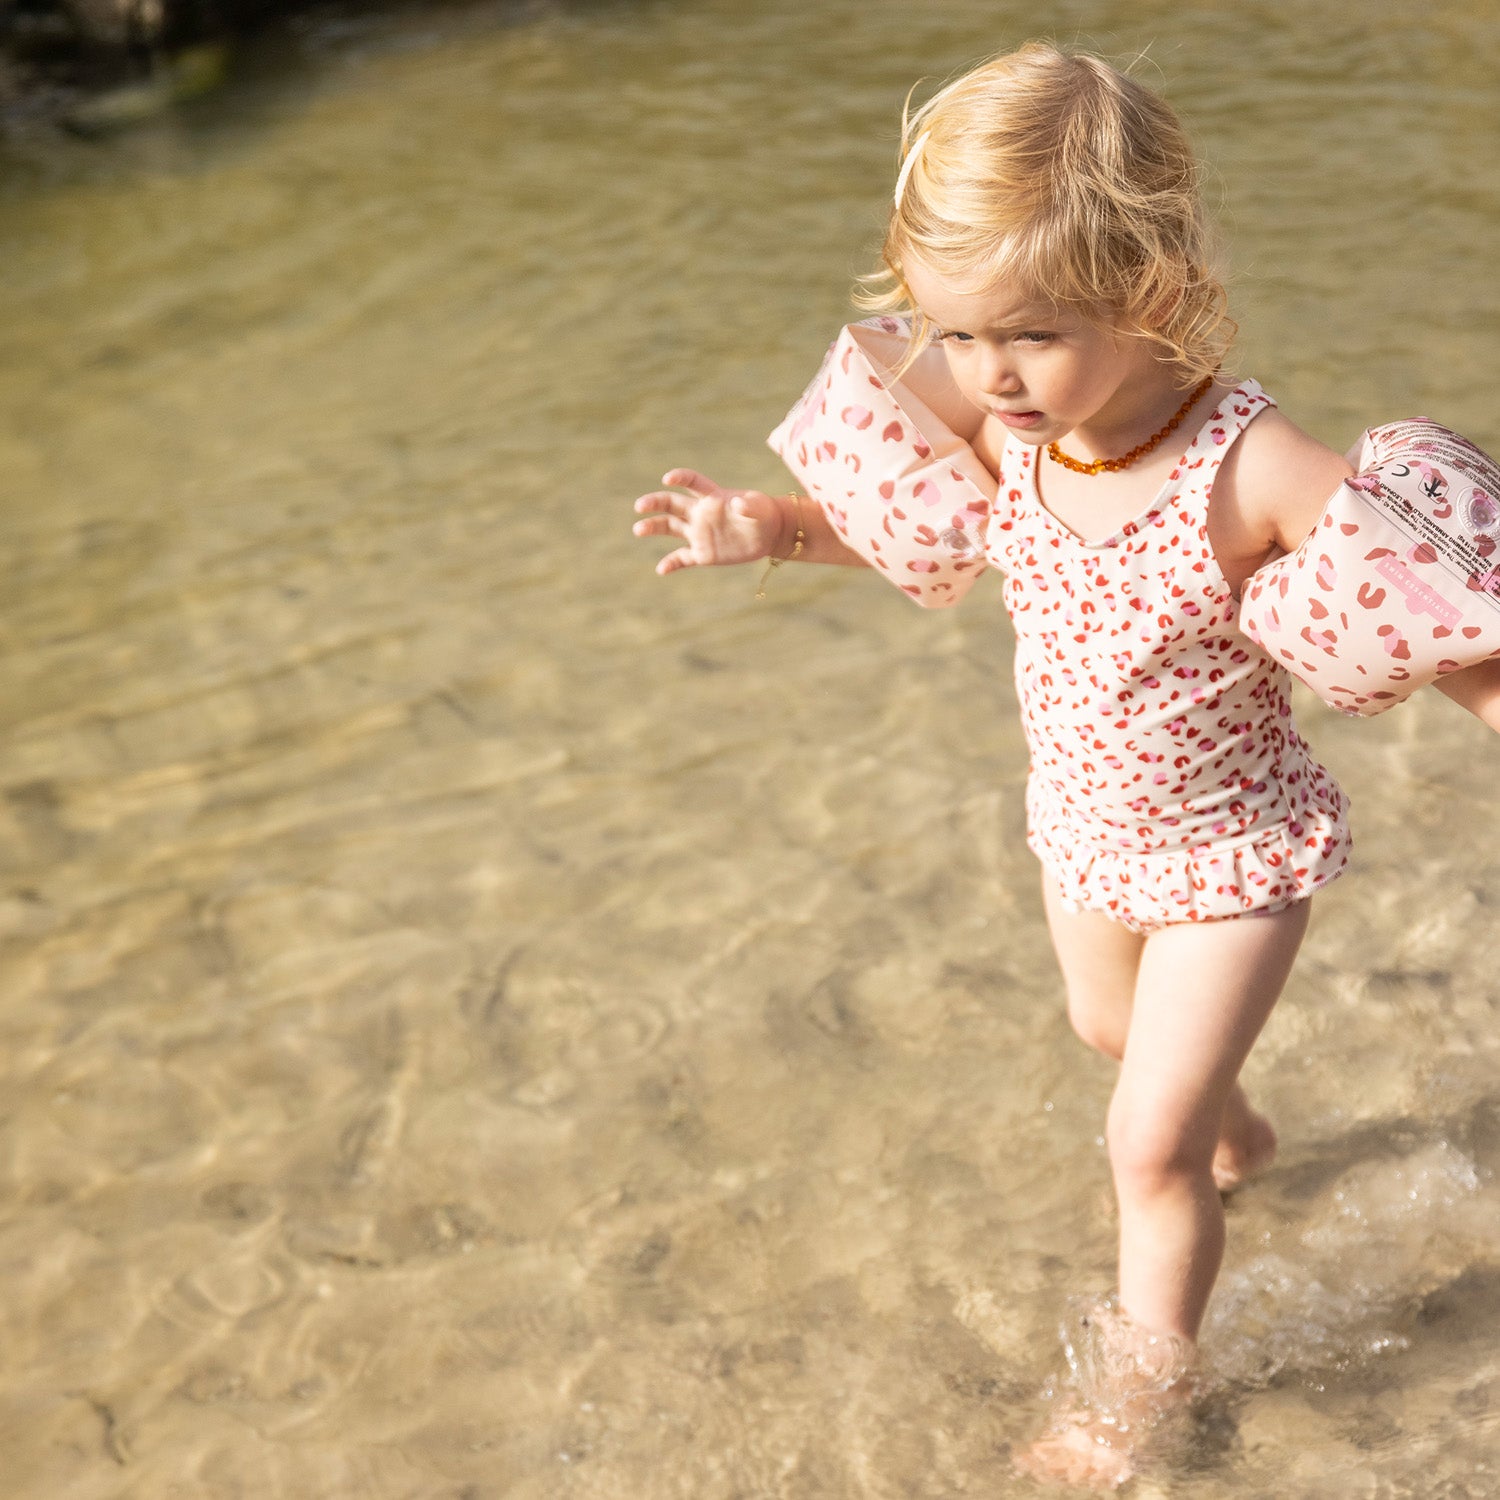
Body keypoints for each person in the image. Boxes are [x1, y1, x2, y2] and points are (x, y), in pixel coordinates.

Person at [631, 42, 1498, 1489]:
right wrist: (776, 528)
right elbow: (932, 541)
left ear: (1148, 286)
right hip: (1086, 831)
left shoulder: (1252, 466)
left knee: (1141, 1150)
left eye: (1027, 334)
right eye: (956, 336)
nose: (987, 375)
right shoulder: (1012, 429)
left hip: (1232, 856)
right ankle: (1243, 1133)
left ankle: (1132, 1400)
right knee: (1116, 1041)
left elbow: (1447, 627)